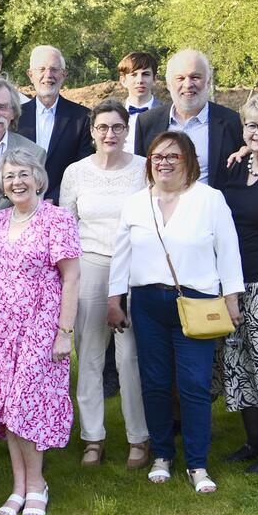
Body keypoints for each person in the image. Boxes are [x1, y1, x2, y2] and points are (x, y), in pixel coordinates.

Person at [109, 131, 245, 493]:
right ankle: (163, 455)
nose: (164, 162)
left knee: (194, 385)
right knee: (154, 382)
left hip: (198, 302)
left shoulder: (209, 199)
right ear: (149, 163)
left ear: (189, 161)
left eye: (173, 156)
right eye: (157, 157)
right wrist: (114, 299)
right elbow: (122, 254)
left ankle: (198, 464)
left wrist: (232, 297)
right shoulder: (137, 203)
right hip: (148, 303)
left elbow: (228, 250)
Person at [0, 148, 81, 515]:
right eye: (9, 176)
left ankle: (37, 485)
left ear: (38, 178)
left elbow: (72, 277)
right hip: (4, 324)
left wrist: (64, 333)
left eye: (23, 174)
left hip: (42, 323)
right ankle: (18, 486)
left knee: (27, 404)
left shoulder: (57, 219)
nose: (16, 182)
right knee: (7, 406)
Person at [58, 100, 151, 469]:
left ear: (127, 131)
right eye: (102, 127)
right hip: (90, 265)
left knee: (129, 357)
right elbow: (67, 226)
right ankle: (92, 438)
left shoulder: (144, 169)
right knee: (91, 355)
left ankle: (138, 438)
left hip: (133, 268)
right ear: (92, 131)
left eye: (117, 127)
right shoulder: (76, 172)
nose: (110, 134)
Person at [219, 95, 258, 472]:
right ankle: (253, 442)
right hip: (234, 282)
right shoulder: (235, 166)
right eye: (252, 126)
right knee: (238, 361)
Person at [134, 49, 244, 187]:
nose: (188, 84)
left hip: (210, 207)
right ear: (168, 84)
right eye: (180, 78)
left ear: (208, 82)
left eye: (195, 77)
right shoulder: (147, 122)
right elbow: (143, 176)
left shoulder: (233, 123)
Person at [16, 45, 94, 200]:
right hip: (19, 203)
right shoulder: (15, 116)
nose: (48, 75)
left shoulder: (83, 117)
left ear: (64, 74)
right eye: (42, 69)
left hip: (63, 204)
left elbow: (82, 167)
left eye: (54, 69)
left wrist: (55, 198)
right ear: (30, 75)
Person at [117, 51, 160, 154]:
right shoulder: (112, 114)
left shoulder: (168, 114)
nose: (140, 80)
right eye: (134, 74)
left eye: (146, 74)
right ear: (123, 80)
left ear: (155, 79)